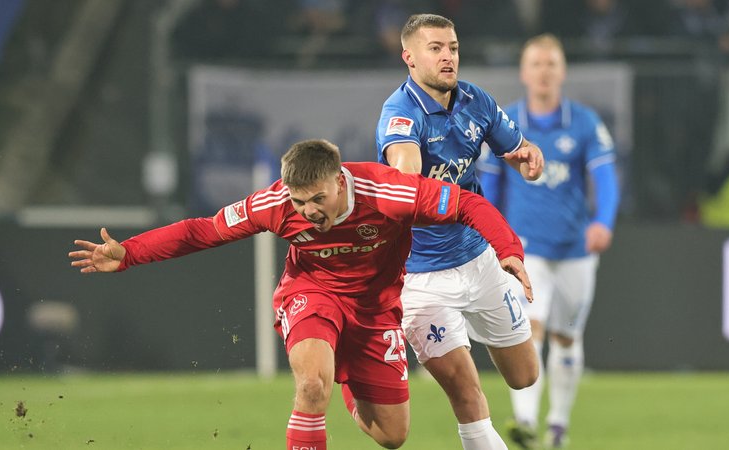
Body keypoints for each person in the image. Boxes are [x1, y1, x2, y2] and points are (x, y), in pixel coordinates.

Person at [68, 139, 533, 450]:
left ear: (339, 180)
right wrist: (129, 253)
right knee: (311, 384)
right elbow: (202, 230)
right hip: (312, 294)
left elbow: (468, 203)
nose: (308, 211)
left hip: (376, 309)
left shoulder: (387, 192)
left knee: (393, 436)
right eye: (299, 201)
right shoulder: (274, 205)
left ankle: (348, 376)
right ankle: (330, 375)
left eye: (317, 199)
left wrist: (509, 251)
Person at [376, 13, 544, 450]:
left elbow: (515, 146)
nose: (447, 57)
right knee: (468, 395)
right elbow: (404, 164)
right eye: (435, 48)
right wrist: (407, 169)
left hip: (479, 259)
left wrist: (528, 155)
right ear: (409, 58)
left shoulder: (477, 101)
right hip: (421, 279)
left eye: (452, 47)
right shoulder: (399, 113)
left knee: (525, 376)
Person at [478, 34, 620, 449]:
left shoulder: (585, 123)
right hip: (526, 248)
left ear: (562, 71)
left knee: (566, 337)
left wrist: (603, 221)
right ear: (524, 73)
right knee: (529, 327)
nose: (543, 71)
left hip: (576, 250)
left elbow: (606, 179)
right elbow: (488, 185)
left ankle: (557, 424)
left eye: (551, 64)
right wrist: (493, 233)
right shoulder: (506, 125)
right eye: (536, 64)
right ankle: (524, 422)